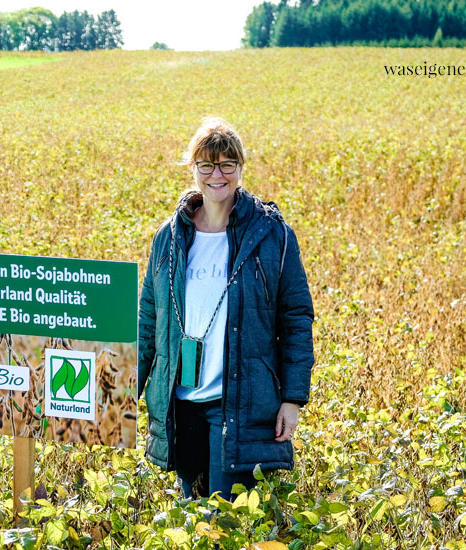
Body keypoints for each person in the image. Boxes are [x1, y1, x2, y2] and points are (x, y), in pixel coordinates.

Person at [137, 116, 314, 501]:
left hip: (240, 406)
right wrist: (118, 396)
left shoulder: (271, 235)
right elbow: (149, 320)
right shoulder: (169, 237)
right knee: (191, 517)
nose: (217, 174)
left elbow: (296, 318)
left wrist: (293, 399)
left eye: (227, 164)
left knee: (227, 521)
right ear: (193, 169)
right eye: (207, 165)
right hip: (182, 406)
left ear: (240, 168)